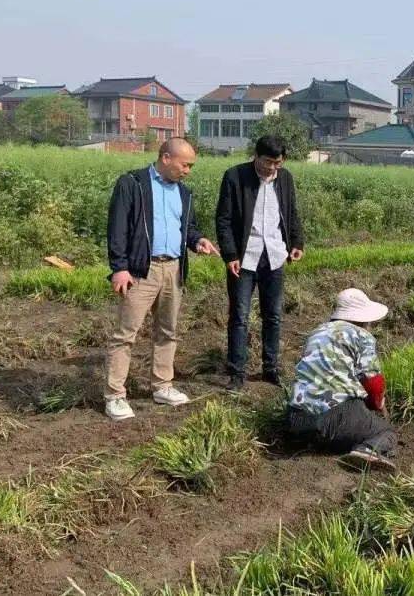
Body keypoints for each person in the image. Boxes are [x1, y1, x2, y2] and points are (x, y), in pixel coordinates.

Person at [104, 138, 219, 421]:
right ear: (166, 158)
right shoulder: (132, 184)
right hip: (142, 270)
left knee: (168, 331)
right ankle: (115, 395)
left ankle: (162, 386)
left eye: (191, 166)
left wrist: (197, 241)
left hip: (173, 269)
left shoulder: (184, 192)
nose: (188, 170)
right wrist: (120, 267)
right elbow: (117, 227)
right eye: (185, 164)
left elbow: (187, 227)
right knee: (125, 334)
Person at [216, 135, 305, 390]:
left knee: (274, 316)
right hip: (244, 257)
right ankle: (236, 372)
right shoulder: (235, 176)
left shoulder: (285, 179)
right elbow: (223, 219)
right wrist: (230, 254)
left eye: (277, 163)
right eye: (267, 162)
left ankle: (270, 368)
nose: (272, 168)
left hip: (275, 255)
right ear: (256, 156)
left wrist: (297, 244)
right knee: (240, 316)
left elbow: (291, 213)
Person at [288, 288, 396, 470]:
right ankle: (367, 450)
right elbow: (373, 382)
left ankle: (316, 443)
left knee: (335, 429)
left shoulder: (315, 333)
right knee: (386, 432)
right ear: (362, 319)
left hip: (296, 420)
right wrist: (377, 404)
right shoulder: (362, 336)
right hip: (335, 416)